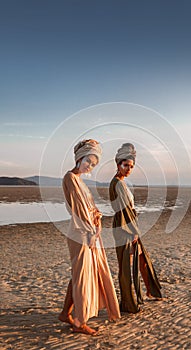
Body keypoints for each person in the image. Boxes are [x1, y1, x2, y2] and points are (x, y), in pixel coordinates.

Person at [59, 139, 120, 335]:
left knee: (80, 274)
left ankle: (64, 313)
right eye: (88, 161)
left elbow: (91, 209)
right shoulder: (70, 178)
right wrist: (92, 232)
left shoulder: (80, 181)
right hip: (81, 233)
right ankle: (79, 323)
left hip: (88, 232)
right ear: (79, 158)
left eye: (94, 164)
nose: (90, 166)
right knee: (82, 276)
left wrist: (96, 221)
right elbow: (80, 210)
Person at [109, 143, 162, 314]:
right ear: (118, 165)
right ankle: (128, 303)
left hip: (130, 225)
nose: (128, 169)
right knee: (126, 266)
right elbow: (123, 210)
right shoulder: (116, 183)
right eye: (125, 165)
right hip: (124, 228)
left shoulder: (122, 183)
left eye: (131, 167)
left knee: (142, 260)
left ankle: (150, 291)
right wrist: (133, 232)